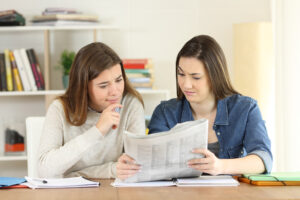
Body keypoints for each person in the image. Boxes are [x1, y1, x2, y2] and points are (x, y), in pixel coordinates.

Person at [148, 35, 272, 175]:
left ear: (215, 76)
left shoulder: (246, 108)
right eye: (181, 74)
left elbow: (263, 159)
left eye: (196, 77)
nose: (186, 84)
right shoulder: (165, 113)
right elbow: (152, 161)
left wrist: (221, 166)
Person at [38, 42, 143, 179]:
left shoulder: (131, 105)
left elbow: (134, 167)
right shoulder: (59, 109)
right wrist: (97, 131)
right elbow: (45, 171)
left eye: (119, 80)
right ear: (83, 87)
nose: (115, 92)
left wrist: (75, 174)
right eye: (103, 85)